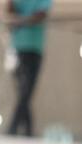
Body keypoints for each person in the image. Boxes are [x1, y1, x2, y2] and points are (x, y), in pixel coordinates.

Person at [6, 0, 52, 136]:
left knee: (26, 92)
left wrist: (21, 22)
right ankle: (26, 131)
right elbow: (10, 14)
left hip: (34, 49)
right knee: (22, 92)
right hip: (16, 48)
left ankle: (15, 129)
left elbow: (41, 15)